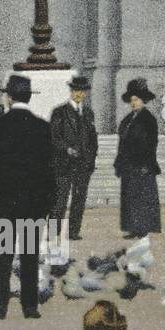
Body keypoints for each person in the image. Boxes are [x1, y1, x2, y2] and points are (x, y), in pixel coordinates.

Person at [0, 74, 54, 320]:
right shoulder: (42, 128)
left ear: (8, 98)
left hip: (3, 202)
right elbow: (50, 170)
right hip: (33, 204)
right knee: (30, 257)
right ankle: (30, 307)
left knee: (2, 257)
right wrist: (50, 203)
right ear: (29, 97)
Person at [49, 75, 98, 241]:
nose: (78, 94)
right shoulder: (59, 112)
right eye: (76, 90)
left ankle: (73, 232)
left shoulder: (89, 113)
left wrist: (91, 160)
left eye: (82, 91)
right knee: (60, 200)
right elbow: (54, 137)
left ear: (85, 93)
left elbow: (93, 140)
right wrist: (67, 149)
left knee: (79, 200)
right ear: (71, 91)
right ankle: (53, 232)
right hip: (64, 164)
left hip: (83, 166)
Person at [114, 78, 162, 239]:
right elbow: (122, 142)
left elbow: (151, 144)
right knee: (130, 196)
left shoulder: (148, 119)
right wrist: (119, 163)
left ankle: (142, 228)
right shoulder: (128, 119)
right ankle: (133, 227)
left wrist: (146, 164)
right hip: (128, 164)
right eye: (132, 100)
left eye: (137, 100)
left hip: (142, 164)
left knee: (142, 196)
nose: (134, 103)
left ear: (143, 100)